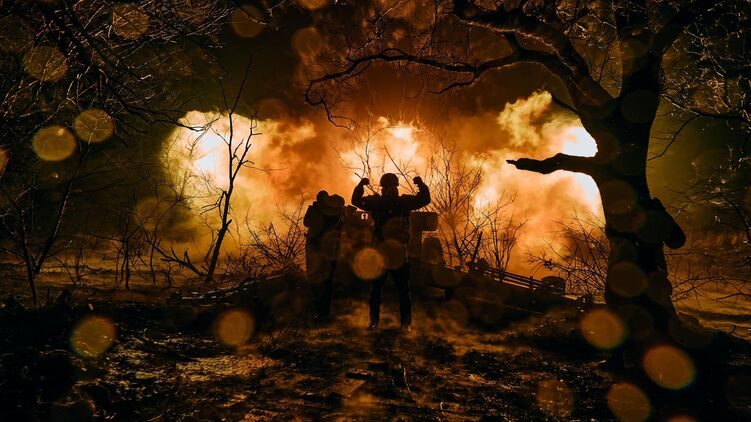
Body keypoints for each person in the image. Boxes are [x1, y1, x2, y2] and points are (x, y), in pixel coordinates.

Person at [351, 173, 431, 331]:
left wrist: (360, 186)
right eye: (387, 187)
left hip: (389, 253)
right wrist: (421, 185)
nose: (388, 190)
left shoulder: (381, 202)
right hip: (391, 254)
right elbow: (424, 199)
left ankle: (387, 323)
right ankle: (398, 324)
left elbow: (356, 201)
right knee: (394, 291)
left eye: (389, 187)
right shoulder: (401, 202)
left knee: (387, 291)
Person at [304, 190, 345, 323]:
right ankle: (323, 312)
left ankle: (322, 313)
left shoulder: (330, 212)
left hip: (321, 253)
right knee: (324, 284)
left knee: (320, 283)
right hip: (325, 253)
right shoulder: (335, 213)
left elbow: (307, 223)